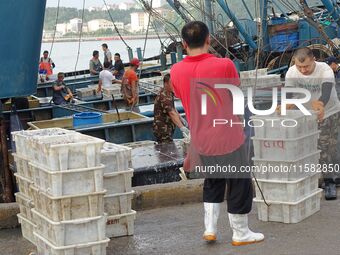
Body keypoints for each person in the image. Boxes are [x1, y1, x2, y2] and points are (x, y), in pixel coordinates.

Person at [171, 21, 264, 246]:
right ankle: (240, 233)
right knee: (238, 182)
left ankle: (210, 228)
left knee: (213, 181)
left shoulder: (175, 71)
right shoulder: (225, 65)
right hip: (228, 135)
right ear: (209, 39)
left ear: (184, 44)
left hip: (201, 138)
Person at [285, 48, 340, 200]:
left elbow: (326, 92)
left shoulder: (325, 69)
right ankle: (318, 177)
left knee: (327, 147)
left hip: (329, 112)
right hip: (306, 115)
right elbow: (289, 94)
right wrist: (285, 105)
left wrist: (320, 105)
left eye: (307, 67)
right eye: (299, 67)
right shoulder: (291, 72)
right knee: (309, 147)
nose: (303, 70)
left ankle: (329, 181)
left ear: (313, 59)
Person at [153, 74, 189, 144]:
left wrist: (180, 118)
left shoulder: (169, 93)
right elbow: (171, 113)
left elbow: (173, 107)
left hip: (168, 127)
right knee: (166, 148)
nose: (174, 85)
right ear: (166, 83)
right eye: (171, 83)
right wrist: (182, 127)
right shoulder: (164, 97)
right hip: (162, 128)